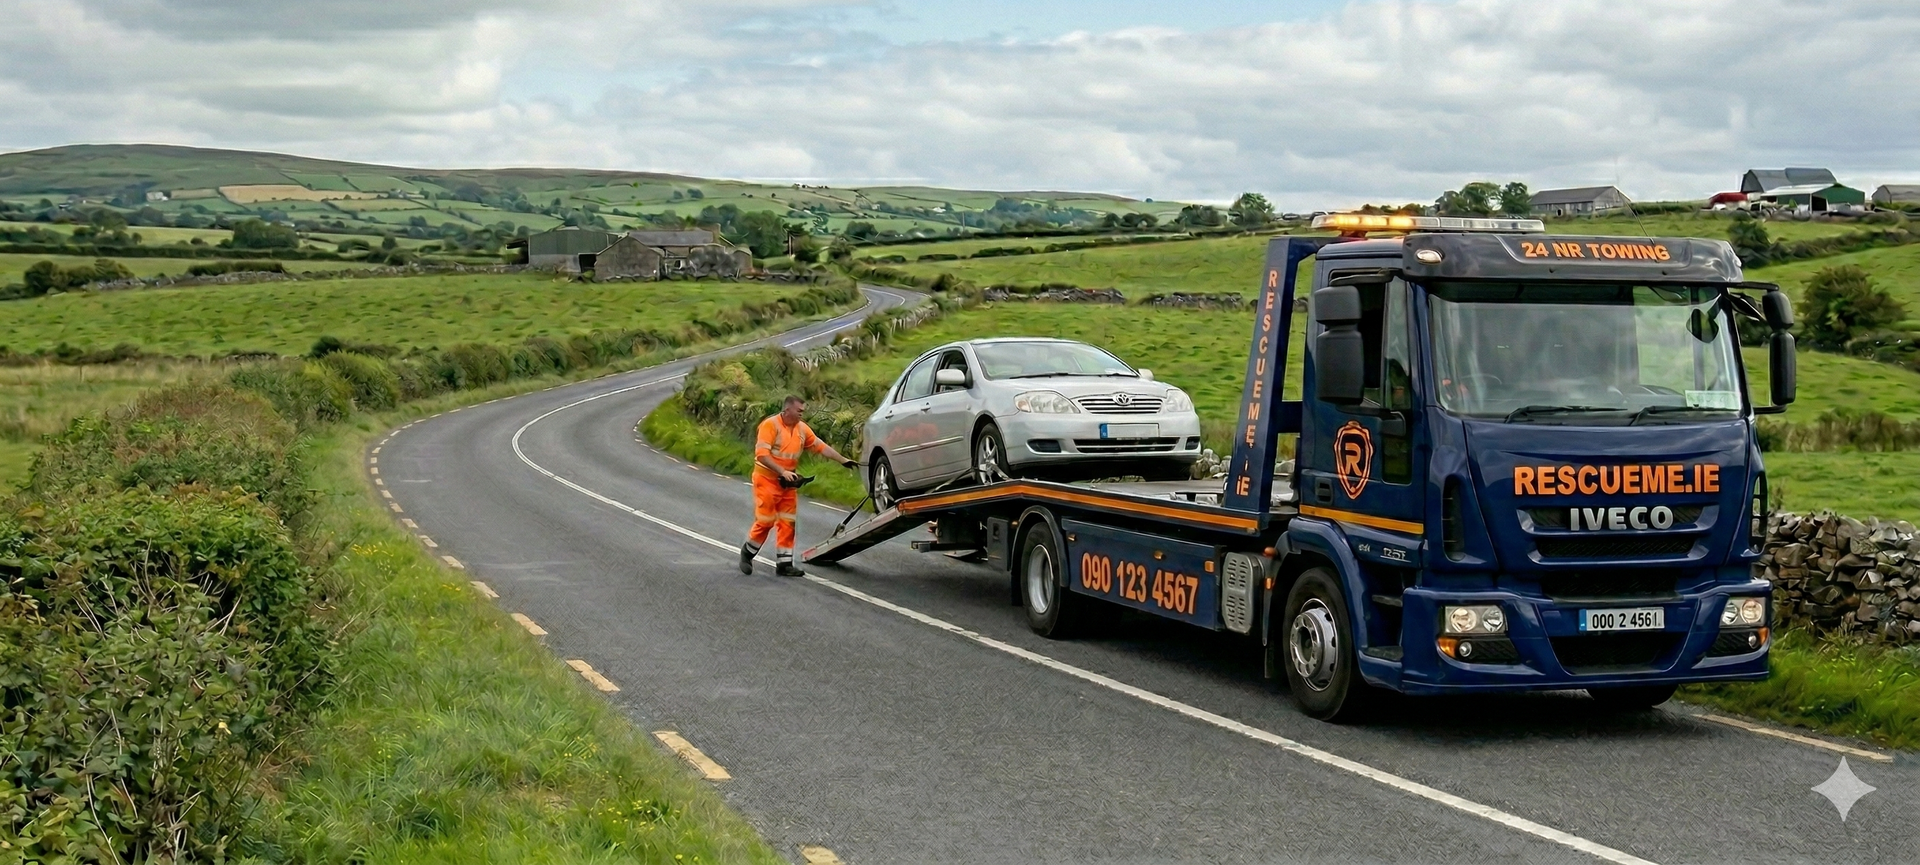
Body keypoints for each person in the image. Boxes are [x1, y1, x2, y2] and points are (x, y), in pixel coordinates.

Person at [740, 395, 855, 577]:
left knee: (788, 522)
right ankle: (747, 553)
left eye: (803, 410)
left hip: (788, 485)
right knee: (766, 520)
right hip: (766, 480)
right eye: (799, 410)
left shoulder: (802, 429)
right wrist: (781, 471)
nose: (802, 413)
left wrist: (842, 460)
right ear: (787, 410)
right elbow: (761, 455)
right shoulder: (770, 425)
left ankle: (785, 564)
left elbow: (819, 446)